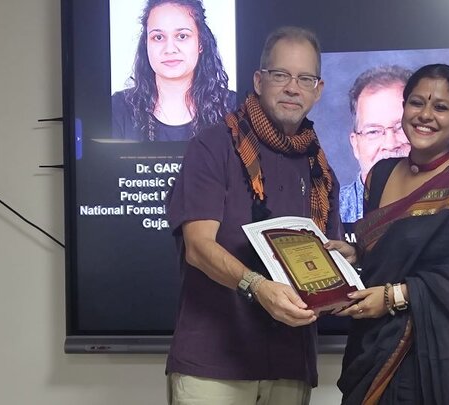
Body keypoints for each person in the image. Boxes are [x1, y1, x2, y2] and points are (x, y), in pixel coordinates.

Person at [325, 64, 449, 404]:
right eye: (417, 103)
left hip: (436, 362)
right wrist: (358, 253)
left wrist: (392, 298)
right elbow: (394, 248)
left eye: (441, 107)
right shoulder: (379, 175)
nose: (425, 115)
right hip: (374, 347)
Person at [164, 26, 343, 405]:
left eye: (304, 78)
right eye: (281, 75)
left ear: (318, 89)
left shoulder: (321, 170)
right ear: (259, 81)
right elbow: (197, 247)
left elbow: (327, 260)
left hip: (291, 364)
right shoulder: (213, 146)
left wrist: (346, 265)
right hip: (213, 366)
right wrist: (257, 287)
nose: (293, 88)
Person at [112, 0, 235, 141]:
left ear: (200, 43)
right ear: (146, 44)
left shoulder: (234, 108)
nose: (170, 49)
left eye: (182, 36)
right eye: (158, 37)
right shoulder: (117, 109)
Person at [339, 65, 412, 223]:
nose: (390, 144)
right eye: (373, 132)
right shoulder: (330, 215)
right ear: (355, 145)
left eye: (401, 127)